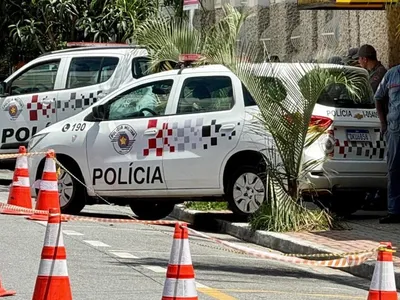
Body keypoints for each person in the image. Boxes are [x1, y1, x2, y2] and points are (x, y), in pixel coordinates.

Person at [375, 64, 400, 223]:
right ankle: (394, 211)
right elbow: (378, 97)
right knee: (394, 170)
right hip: (395, 131)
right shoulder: (391, 74)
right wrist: (383, 124)